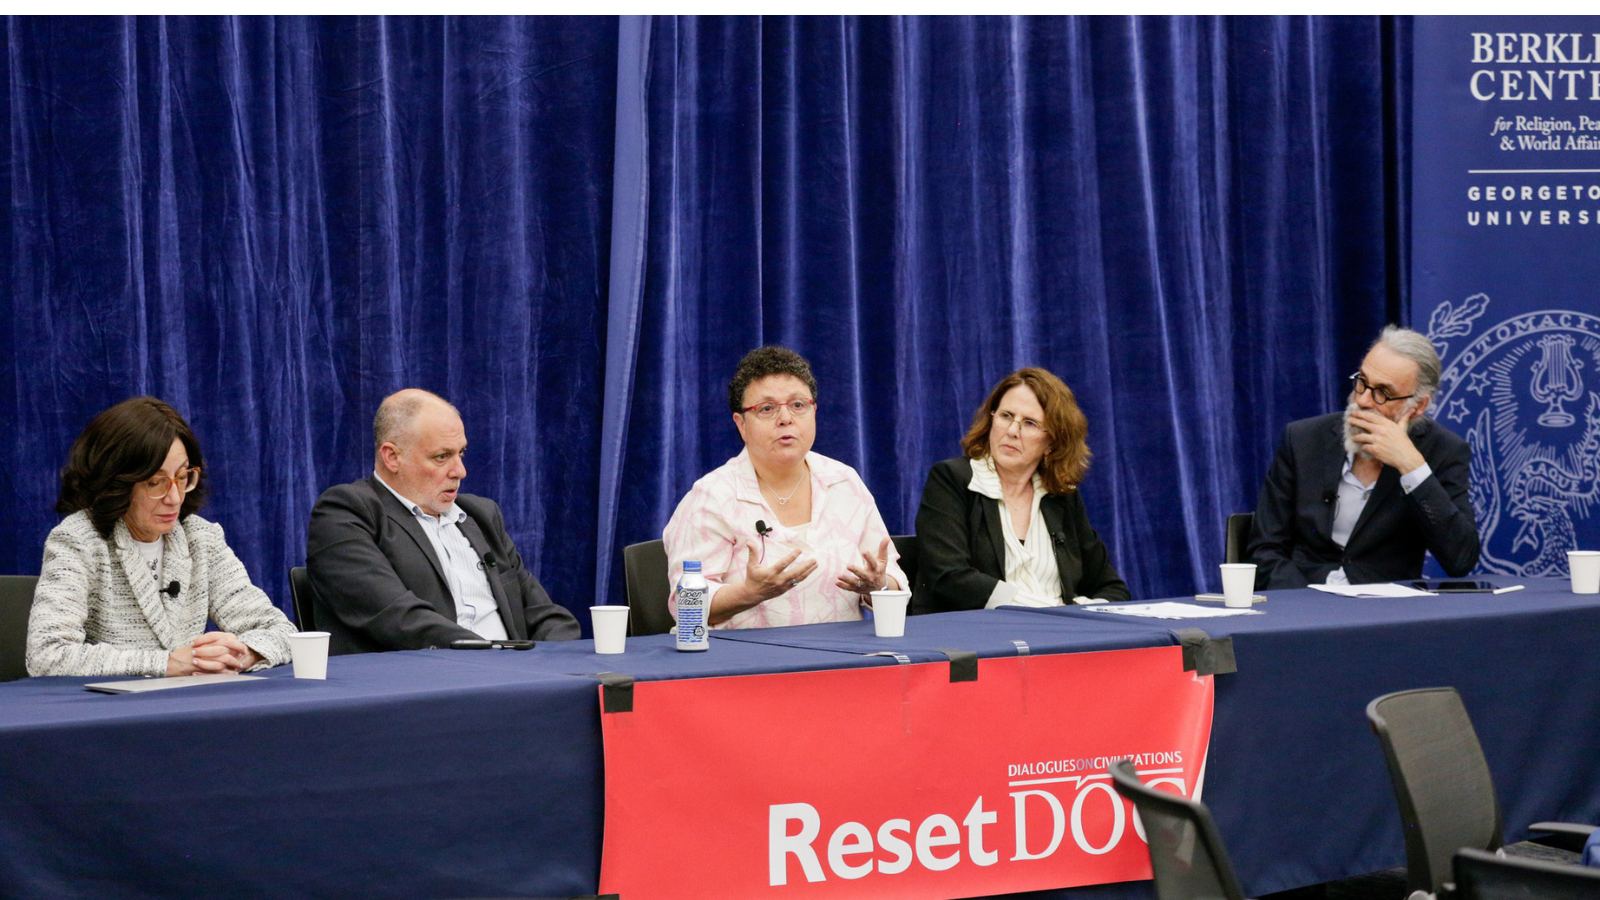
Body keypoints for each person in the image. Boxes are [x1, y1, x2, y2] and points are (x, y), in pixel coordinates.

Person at [26, 397, 294, 677]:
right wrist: (166, 664)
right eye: (155, 482)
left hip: (191, 708)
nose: (174, 497)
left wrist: (242, 653)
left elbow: (281, 631)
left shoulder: (200, 538)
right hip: (110, 713)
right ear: (116, 483)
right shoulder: (78, 541)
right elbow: (46, 655)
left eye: (182, 477)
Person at [306, 389, 579, 654]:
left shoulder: (481, 515)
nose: (460, 471)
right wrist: (496, 657)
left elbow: (541, 613)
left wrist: (560, 659)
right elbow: (401, 620)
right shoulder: (346, 512)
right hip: (427, 685)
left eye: (461, 453)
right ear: (392, 457)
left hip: (520, 678)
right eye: (441, 456)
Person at [662, 346, 906, 629]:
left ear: (814, 411)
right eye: (767, 409)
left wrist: (879, 586)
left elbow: (895, 584)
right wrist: (748, 594)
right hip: (749, 666)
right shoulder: (712, 497)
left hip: (844, 660)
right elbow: (685, 605)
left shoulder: (843, 481)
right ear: (741, 424)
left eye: (798, 405)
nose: (786, 418)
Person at [1247, 325, 1480, 589]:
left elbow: (1460, 560)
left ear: (1418, 406)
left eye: (1384, 393)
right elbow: (1264, 549)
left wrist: (1411, 466)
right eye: (1362, 382)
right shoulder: (1303, 440)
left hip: (1385, 617)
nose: (1364, 400)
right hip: (1304, 604)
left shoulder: (1443, 451)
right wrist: (1308, 604)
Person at [914, 367, 1129, 613]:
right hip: (982, 640)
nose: (1012, 431)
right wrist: (1049, 610)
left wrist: (1074, 614)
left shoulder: (1061, 496)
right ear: (991, 419)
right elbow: (949, 578)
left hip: (1061, 639)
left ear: (1052, 442)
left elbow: (1113, 589)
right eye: (1006, 416)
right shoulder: (954, 480)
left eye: (1029, 423)